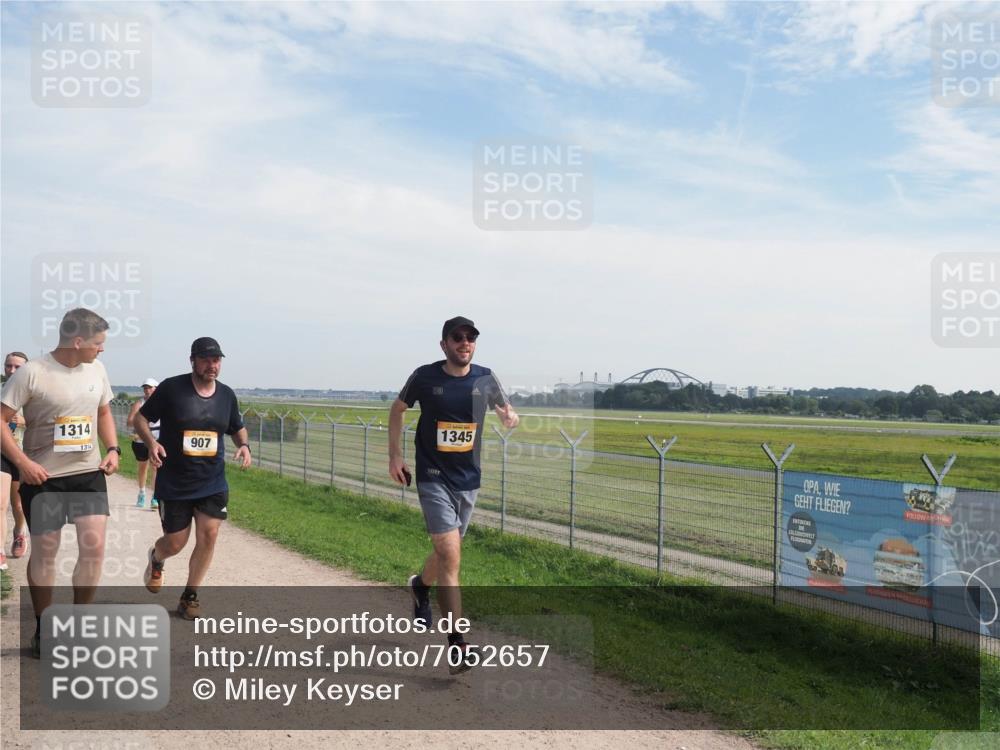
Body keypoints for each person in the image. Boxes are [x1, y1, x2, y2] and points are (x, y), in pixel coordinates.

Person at [388, 316, 518, 675]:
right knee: (451, 555)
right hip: (431, 477)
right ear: (444, 344)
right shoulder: (425, 376)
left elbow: (506, 410)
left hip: (468, 480)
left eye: (471, 338)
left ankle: (419, 586)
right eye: (457, 338)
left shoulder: (486, 378)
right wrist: (395, 456)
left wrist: (511, 417)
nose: (465, 343)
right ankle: (458, 646)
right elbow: (397, 410)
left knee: (446, 555)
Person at [0, 309, 119, 658]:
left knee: (93, 549)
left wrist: (112, 448)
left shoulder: (96, 369)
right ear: (77, 341)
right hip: (45, 477)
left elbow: (104, 413)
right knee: (47, 554)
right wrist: (23, 464)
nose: (102, 350)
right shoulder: (31, 373)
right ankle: (44, 626)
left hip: (88, 474)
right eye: (98, 343)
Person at [134, 337, 251, 620]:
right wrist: (151, 443)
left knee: (209, 535)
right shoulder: (173, 389)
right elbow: (141, 419)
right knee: (175, 542)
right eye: (207, 360)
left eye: (217, 360)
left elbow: (237, 427)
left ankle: (190, 596)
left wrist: (244, 445)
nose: (213, 366)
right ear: (193, 360)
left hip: (212, 481)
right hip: (175, 481)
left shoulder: (226, 395)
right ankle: (157, 558)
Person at [2, 351, 30, 561]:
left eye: (17, 367)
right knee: (1, 504)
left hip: (23, 455)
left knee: (18, 504)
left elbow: (49, 422)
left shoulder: (33, 394)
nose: (12, 371)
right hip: (1, 453)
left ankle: (19, 533)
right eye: (8, 366)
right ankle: (0, 552)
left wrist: (24, 421)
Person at [127, 378, 160, 509]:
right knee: (142, 468)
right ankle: (141, 492)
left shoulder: (162, 403)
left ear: (156, 389)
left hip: (157, 439)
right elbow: (129, 421)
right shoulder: (139, 403)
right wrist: (140, 423)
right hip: (140, 439)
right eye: (145, 388)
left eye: (149, 387)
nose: (146, 390)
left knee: (156, 467)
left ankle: (155, 497)